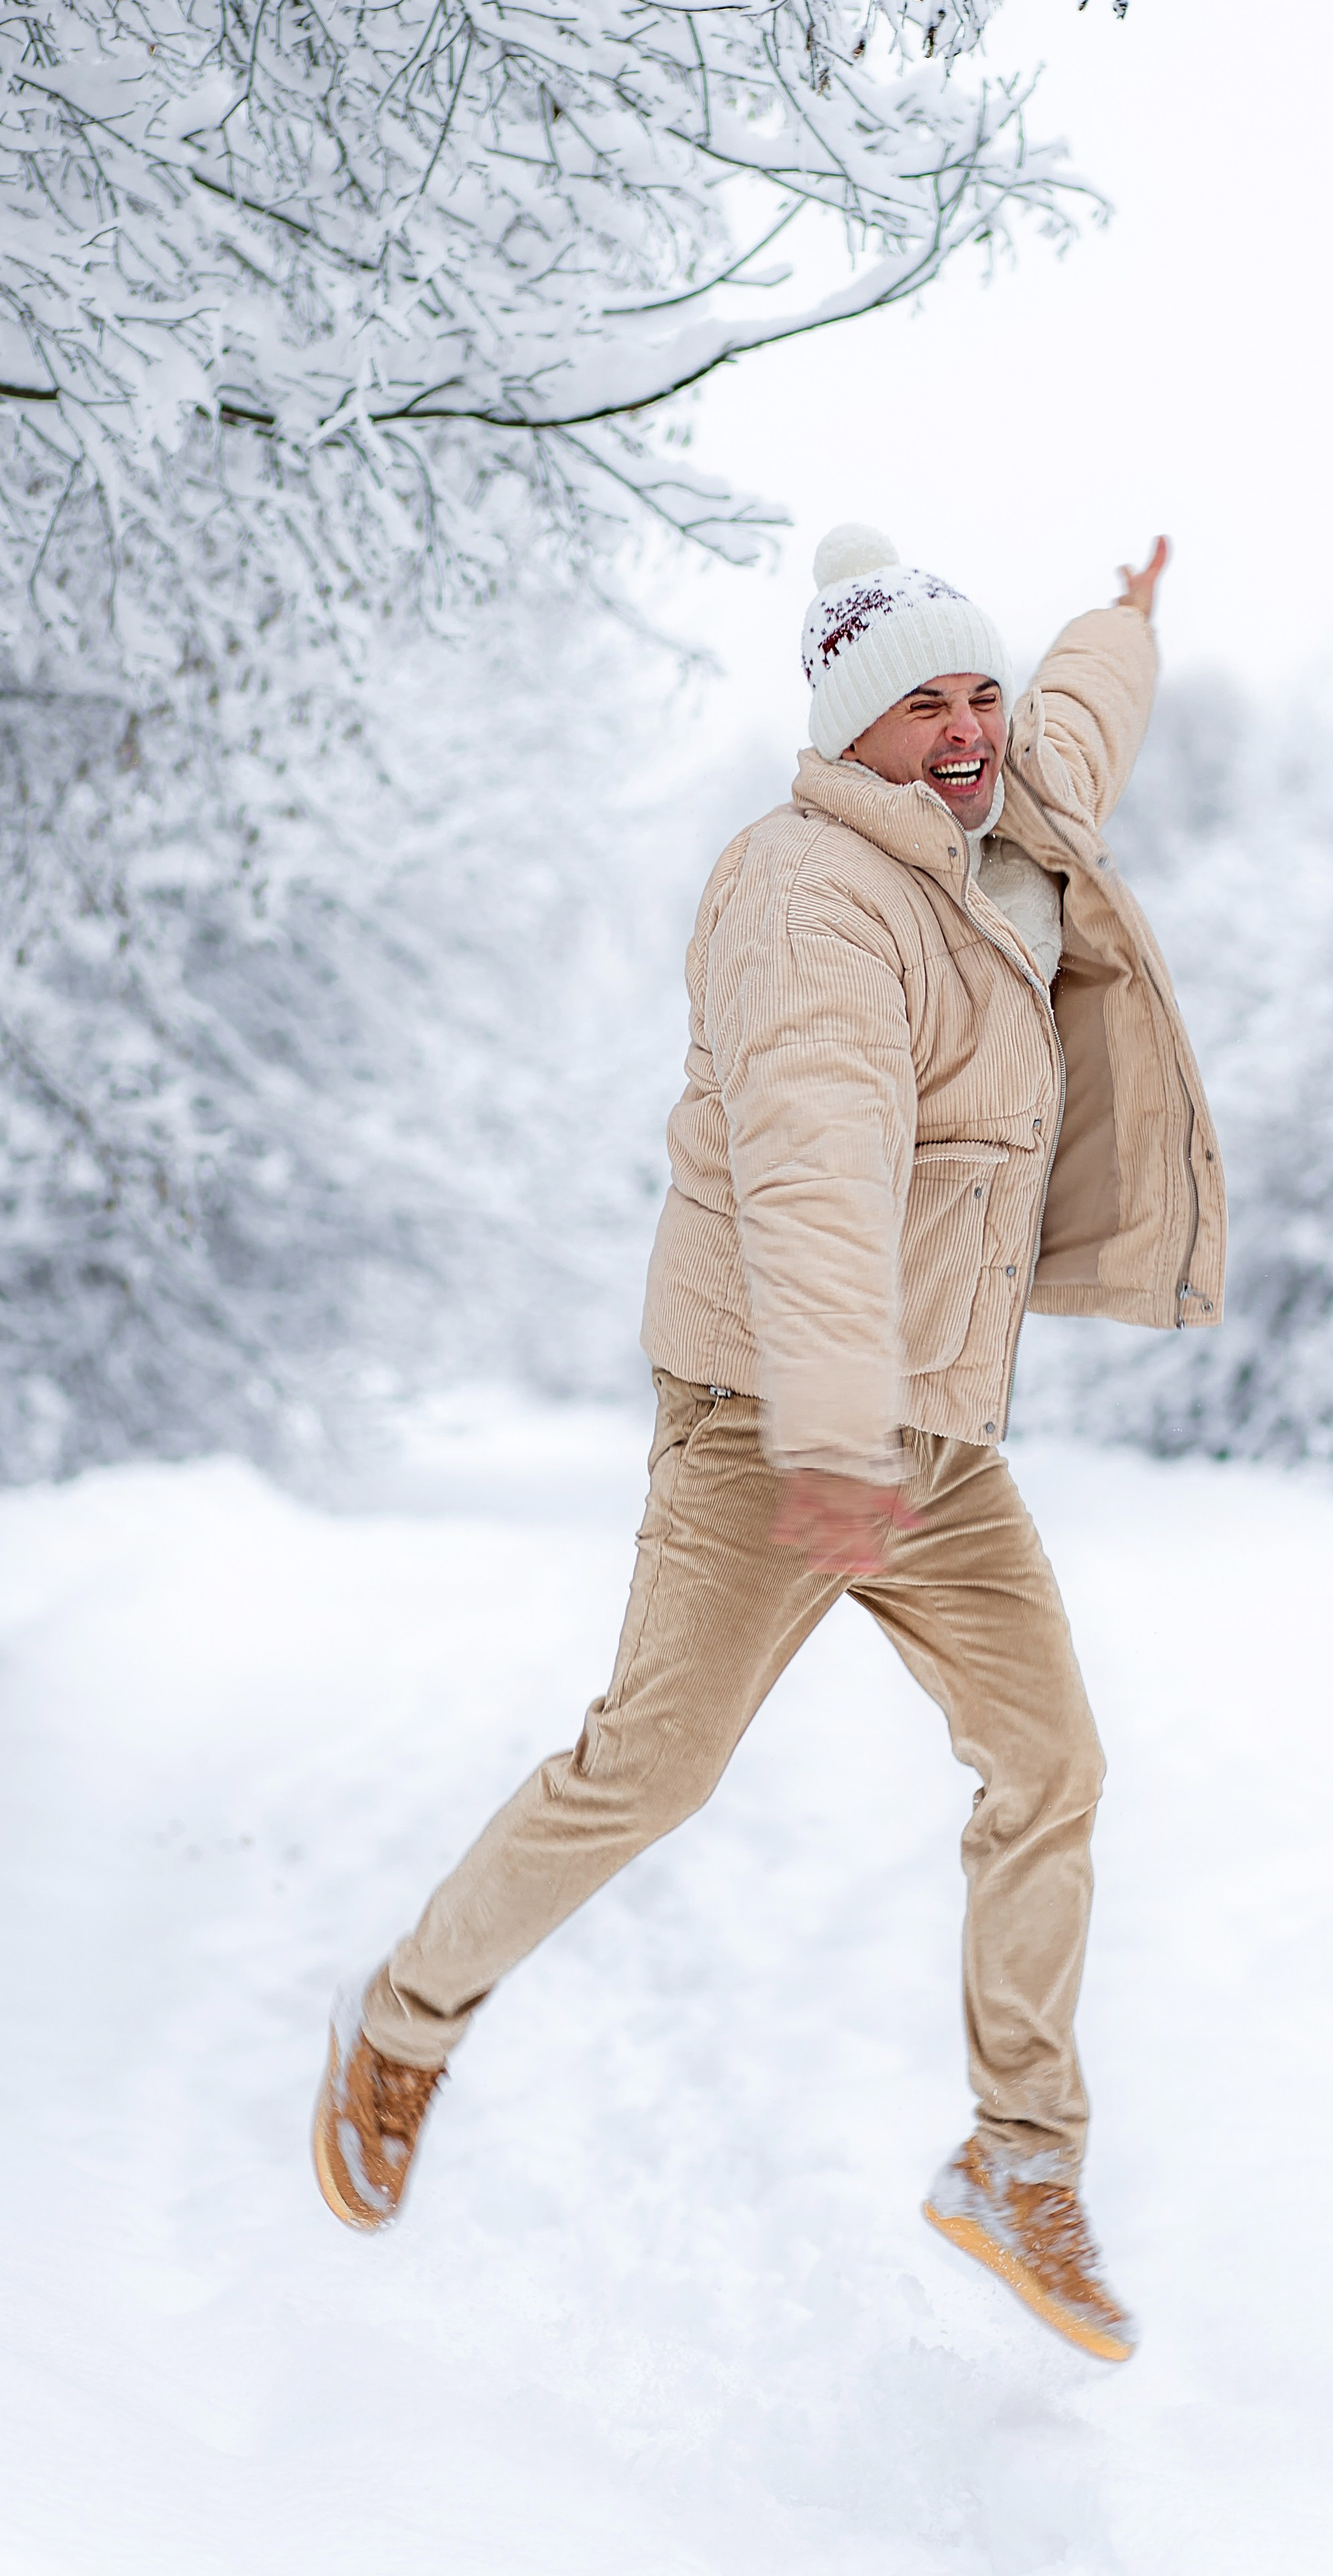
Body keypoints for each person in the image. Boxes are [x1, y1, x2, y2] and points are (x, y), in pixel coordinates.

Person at [313, 524, 1226, 2363]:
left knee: (1050, 1761)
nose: (967, 730)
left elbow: (1077, 725)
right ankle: (406, 2023)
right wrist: (824, 1440)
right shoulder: (807, 899)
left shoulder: (1008, 817)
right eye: (925, 706)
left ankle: (1015, 2159)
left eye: (979, 695)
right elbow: (816, 1186)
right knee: (648, 1771)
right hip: (770, 1419)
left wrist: (1115, 626)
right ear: (842, 731)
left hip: (936, 1433)